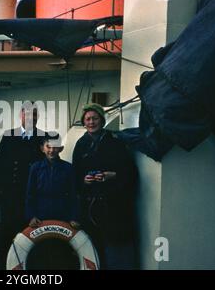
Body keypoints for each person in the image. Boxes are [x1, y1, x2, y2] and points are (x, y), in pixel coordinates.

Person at [72, 103, 138, 270]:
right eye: (88, 119)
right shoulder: (81, 145)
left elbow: (131, 172)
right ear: (84, 122)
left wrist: (112, 175)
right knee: (93, 249)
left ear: (101, 121)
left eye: (95, 118)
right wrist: (84, 180)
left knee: (117, 250)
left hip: (115, 207)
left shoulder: (115, 142)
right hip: (91, 208)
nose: (91, 122)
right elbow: (75, 175)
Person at [0, 102, 46, 269]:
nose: (31, 117)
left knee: (32, 239)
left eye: (35, 114)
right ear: (21, 115)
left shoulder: (44, 138)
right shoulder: (9, 136)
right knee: (7, 238)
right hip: (11, 199)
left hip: (33, 200)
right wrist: (1, 192)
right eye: (28, 114)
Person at [25, 134, 80, 229]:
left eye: (55, 147)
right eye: (48, 147)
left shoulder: (68, 168)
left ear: (61, 148)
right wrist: (31, 216)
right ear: (42, 148)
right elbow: (30, 194)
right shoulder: (35, 168)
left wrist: (73, 217)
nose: (51, 150)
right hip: (40, 216)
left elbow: (73, 195)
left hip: (63, 216)